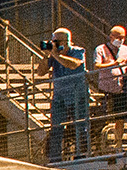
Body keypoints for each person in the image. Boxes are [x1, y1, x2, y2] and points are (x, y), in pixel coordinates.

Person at [38, 26, 89, 162]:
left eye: (58, 41)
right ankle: (55, 158)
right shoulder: (53, 55)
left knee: (80, 125)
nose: (55, 44)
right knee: (56, 127)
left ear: (66, 41)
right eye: (54, 41)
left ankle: (81, 155)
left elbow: (74, 65)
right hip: (59, 96)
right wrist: (46, 55)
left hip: (76, 94)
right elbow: (40, 72)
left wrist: (56, 55)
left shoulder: (77, 51)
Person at [92, 25, 127, 143]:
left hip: (122, 86)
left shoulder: (126, 49)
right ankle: (101, 140)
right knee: (104, 115)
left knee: (121, 116)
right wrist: (114, 64)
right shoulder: (101, 49)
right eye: (117, 37)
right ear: (111, 36)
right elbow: (97, 66)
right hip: (107, 87)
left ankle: (118, 142)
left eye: (122, 38)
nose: (120, 40)